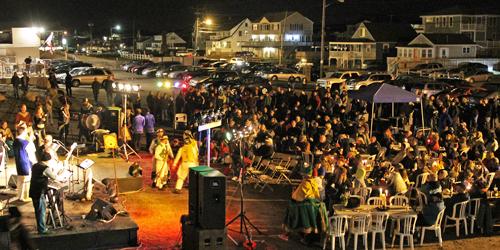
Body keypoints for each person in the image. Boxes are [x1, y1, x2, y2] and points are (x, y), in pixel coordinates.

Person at [29, 152, 58, 234]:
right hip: (39, 192)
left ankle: (41, 227)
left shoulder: (35, 165)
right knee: (41, 211)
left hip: (33, 190)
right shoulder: (45, 167)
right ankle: (42, 230)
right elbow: (54, 177)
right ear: (48, 160)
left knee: (37, 210)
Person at [13, 125, 32, 202]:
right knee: (23, 179)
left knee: (20, 179)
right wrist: (30, 134)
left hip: (19, 161)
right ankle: (22, 197)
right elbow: (30, 150)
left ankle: (20, 196)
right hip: (23, 161)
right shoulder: (23, 141)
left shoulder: (16, 140)